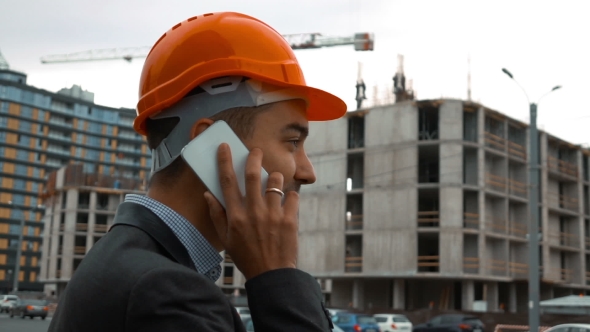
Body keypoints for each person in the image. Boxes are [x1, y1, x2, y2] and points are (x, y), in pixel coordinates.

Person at [48, 11, 346, 332]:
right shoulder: (164, 294)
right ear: (214, 143)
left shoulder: (124, 264)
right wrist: (278, 277)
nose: (307, 172)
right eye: (292, 141)